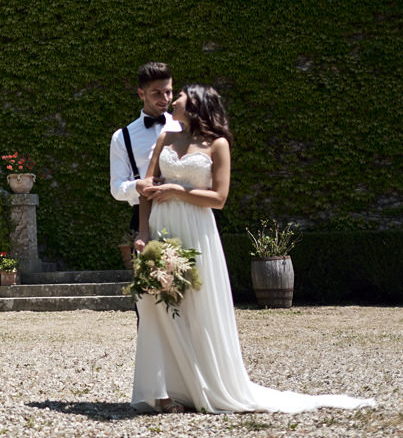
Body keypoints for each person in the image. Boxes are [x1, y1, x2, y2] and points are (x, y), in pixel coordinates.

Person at [132, 84, 376, 414]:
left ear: (197, 106)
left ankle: (204, 385)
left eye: (180, 96)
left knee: (196, 307)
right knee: (158, 305)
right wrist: (143, 233)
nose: (173, 100)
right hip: (163, 227)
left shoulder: (218, 145)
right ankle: (163, 391)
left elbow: (219, 198)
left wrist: (177, 189)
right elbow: (147, 190)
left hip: (195, 229)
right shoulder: (165, 137)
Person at [109, 62, 181, 248]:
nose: (165, 99)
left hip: (185, 209)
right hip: (145, 217)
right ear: (141, 93)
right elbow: (116, 188)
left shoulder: (184, 127)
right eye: (157, 93)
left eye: (169, 92)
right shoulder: (122, 137)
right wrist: (138, 186)